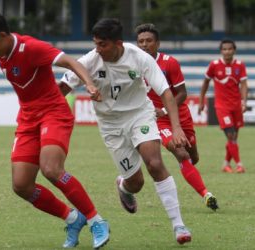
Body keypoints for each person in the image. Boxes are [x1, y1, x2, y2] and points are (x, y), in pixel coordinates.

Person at [0, 12, 109, 249]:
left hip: (53, 112)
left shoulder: (31, 47)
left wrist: (89, 83)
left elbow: (71, 62)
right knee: (21, 185)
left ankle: (96, 220)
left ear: (2, 36)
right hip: (28, 119)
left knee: (52, 169)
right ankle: (72, 218)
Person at [59, 18, 192, 245]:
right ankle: (123, 185)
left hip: (140, 114)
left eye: (103, 45)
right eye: (96, 44)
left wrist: (176, 127)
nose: (98, 49)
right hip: (111, 125)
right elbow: (60, 89)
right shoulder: (89, 61)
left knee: (155, 163)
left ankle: (178, 224)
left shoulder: (139, 57)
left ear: (118, 43)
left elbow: (166, 93)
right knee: (136, 183)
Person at [135, 23, 219, 211]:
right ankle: (206, 194)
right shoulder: (133, 64)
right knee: (181, 154)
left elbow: (182, 93)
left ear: (157, 43)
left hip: (179, 115)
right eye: (140, 41)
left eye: (148, 41)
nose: (144, 45)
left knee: (192, 157)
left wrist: (165, 110)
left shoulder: (169, 62)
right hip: (158, 119)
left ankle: (187, 167)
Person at [198, 39, 248, 173]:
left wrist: (244, 101)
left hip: (236, 105)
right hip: (222, 106)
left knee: (234, 137)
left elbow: (243, 85)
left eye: (230, 49)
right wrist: (201, 101)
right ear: (221, 51)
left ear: (234, 50)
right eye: (224, 49)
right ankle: (239, 164)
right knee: (231, 136)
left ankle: (226, 164)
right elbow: (205, 83)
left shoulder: (240, 65)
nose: (227, 51)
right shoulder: (214, 65)